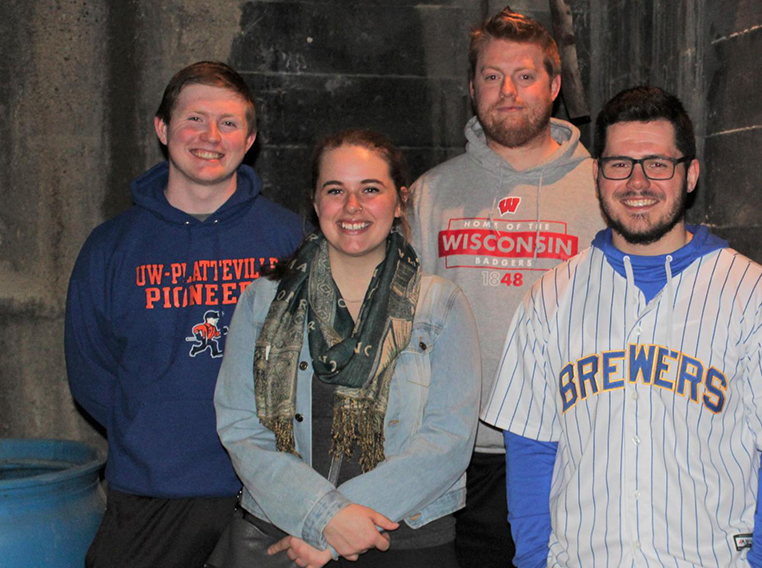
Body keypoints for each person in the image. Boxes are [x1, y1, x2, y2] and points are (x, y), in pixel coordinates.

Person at [482, 87, 762, 568]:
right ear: (597, 175)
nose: (637, 181)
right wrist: (532, 562)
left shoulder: (756, 297)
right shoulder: (549, 298)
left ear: (689, 174)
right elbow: (531, 448)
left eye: (657, 164)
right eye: (619, 164)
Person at [64, 61, 304, 568]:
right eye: (194, 118)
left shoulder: (290, 239)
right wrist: (154, 431)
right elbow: (91, 374)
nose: (210, 136)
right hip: (152, 491)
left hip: (269, 492)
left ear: (250, 138)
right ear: (163, 128)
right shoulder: (111, 247)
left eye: (229, 123)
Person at [213, 129, 481, 568]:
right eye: (335, 190)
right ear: (316, 204)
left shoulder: (442, 305)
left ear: (399, 202)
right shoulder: (263, 299)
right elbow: (241, 424)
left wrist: (336, 528)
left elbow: (448, 439)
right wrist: (323, 515)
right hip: (289, 539)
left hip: (408, 541)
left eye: (370, 190)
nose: (352, 206)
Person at [407, 7, 605, 566]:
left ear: (555, 85)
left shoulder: (604, 192)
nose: (508, 91)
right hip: (455, 457)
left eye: (525, 76)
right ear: (472, 88)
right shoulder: (431, 194)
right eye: (492, 77)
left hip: (572, 450)